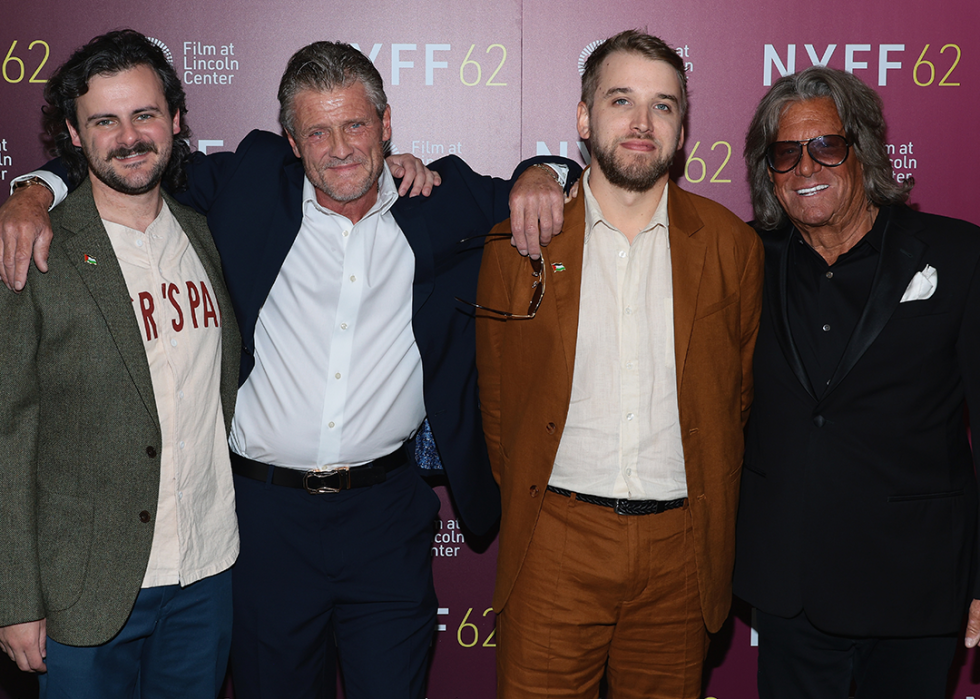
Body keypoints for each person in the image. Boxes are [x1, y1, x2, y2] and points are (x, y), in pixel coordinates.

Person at [0, 38, 579, 699]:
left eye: (356, 124)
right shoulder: (251, 183)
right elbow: (127, 158)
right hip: (262, 522)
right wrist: (34, 191)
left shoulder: (441, 200)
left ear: (386, 125)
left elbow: (561, 176)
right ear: (292, 141)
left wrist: (542, 173)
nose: (339, 148)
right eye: (318, 131)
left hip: (386, 519)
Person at [475, 30, 763, 699]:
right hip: (554, 543)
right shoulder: (518, 245)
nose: (641, 122)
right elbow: (499, 406)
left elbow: (736, 397)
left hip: (679, 555)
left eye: (663, 106)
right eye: (621, 100)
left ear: (682, 128)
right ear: (583, 118)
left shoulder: (732, 247)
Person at [0, 30, 241, 698]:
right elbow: (8, 430)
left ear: (176, 121)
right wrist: (15, 597)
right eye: (104, 120)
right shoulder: (36, 248)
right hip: (88, 588)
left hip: (207, 571)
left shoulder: (201, 231)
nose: (129, 136)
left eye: (145, 114)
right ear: (74, 137)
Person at [734, 65, 980, 699]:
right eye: (785, 153)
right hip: (790, 586)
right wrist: (545, 173)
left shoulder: (958, 257)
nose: (806, 167)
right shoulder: (741, 262)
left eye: (826, 146)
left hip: (915, 583)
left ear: (863, 151)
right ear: (768, 173)